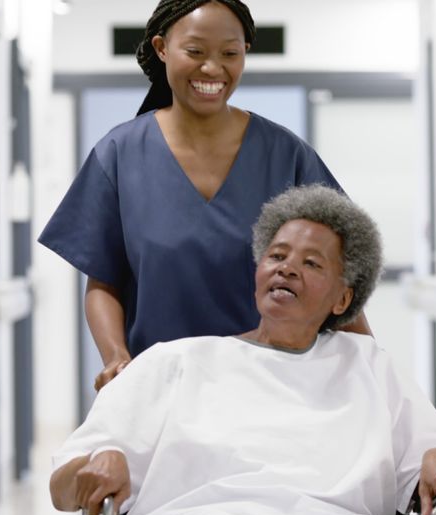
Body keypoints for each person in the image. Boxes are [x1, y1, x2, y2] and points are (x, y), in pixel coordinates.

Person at [49, 186, 436, 515]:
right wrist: (93, 467)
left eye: (311, 264)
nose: (287, 268)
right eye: (276, 256)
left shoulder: (367, 365)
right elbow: (65, 482)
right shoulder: (172, 363)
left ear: (343, 298)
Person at [38, 0, 368, 391]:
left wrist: (372, 374)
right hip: (159, 390)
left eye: (230, 53)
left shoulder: (285, 156)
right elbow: (103, 284)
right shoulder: (120, 155)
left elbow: (337, 274)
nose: (213, 68)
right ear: (162, 48)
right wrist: (116, 357)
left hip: (273, 387)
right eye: (195, 51)